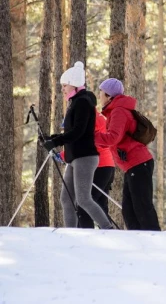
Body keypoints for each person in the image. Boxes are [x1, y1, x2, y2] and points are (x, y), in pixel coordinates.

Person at [42, 62, 113, 229]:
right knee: (66, 198)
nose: (63, 89)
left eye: (64, 85)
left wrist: (56, 141)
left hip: (85, 157)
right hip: (75, 157)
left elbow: (79, 131)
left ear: (73, 84)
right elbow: (72, 131)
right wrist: (52, 138)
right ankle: (71, 233)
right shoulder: (75, 102)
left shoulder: (83, 102)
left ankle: (107, 228)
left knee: (83, 198)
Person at [94, 78, 161, 231]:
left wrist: (89, 136)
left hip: (138, 163)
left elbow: (112, 138)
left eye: (101, 93)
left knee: (142, 207)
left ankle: (155, 240)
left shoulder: (118, 111)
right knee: (129, 210)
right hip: (133, 165)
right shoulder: (116, 111)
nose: (99, 96)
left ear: (109, 95)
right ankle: (138, 242)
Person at [59, 109, 116, 228]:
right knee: (97, 203)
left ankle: (91, 235)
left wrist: (63, 155)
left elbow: (84, 143)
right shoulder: (93, 116)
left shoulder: (91, 118)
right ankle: (104, 235)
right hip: (102, 165)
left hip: (98, 165)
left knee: (84, 204)